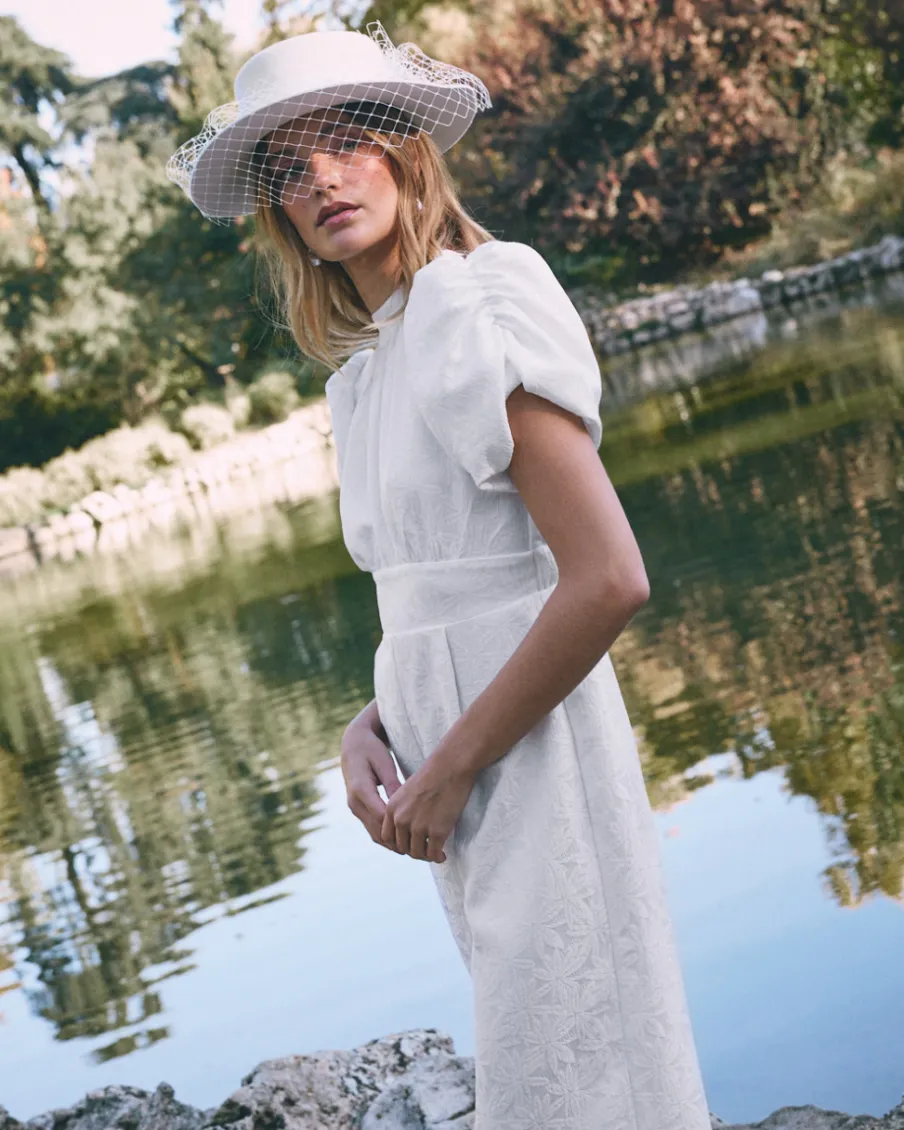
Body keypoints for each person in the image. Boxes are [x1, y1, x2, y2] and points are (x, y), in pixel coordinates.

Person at [167, 23, 711, 1130]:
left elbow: (607, 576)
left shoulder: (476, 304)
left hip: (524, 755)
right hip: (453, 770)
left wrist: (453, 764)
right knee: (546, 1071)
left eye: (346, 142)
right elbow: (443, 594)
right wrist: (373, 721)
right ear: (278, 213)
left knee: (580, 1070)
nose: (322, 178)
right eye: (289, 167)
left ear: (406, 151)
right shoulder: (367, 370)